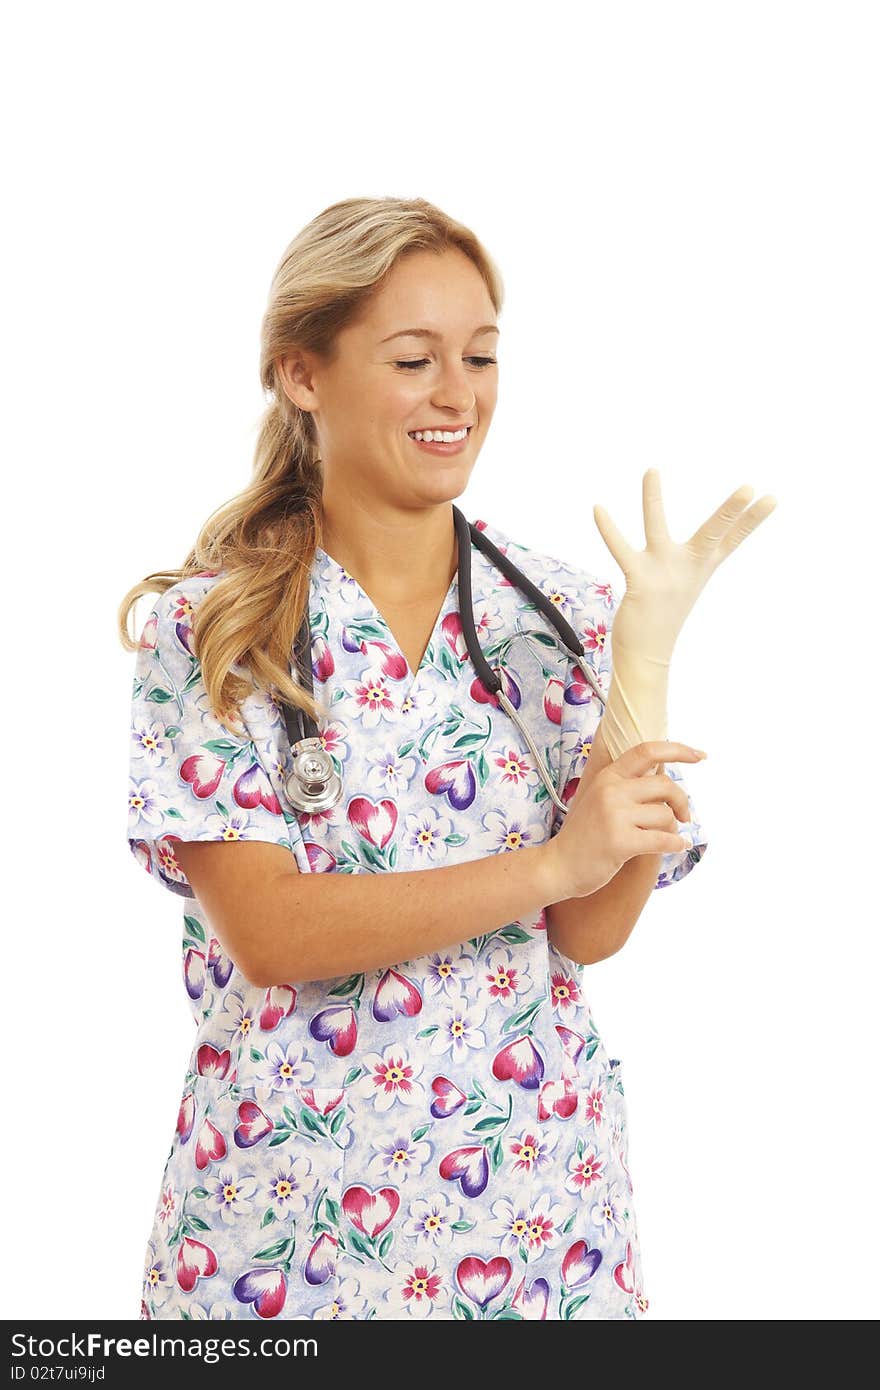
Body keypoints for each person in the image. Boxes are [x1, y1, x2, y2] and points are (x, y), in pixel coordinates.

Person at [119, 195, 775, 1321]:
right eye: (413, 357)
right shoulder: (218, 628)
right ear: (303, 374)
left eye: (479, 355)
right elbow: (273, 934)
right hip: (286, 1225)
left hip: (535, 1219)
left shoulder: (558, 615)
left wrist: (642, 668)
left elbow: (592, 930)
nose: (458, 394)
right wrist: (546, 866)